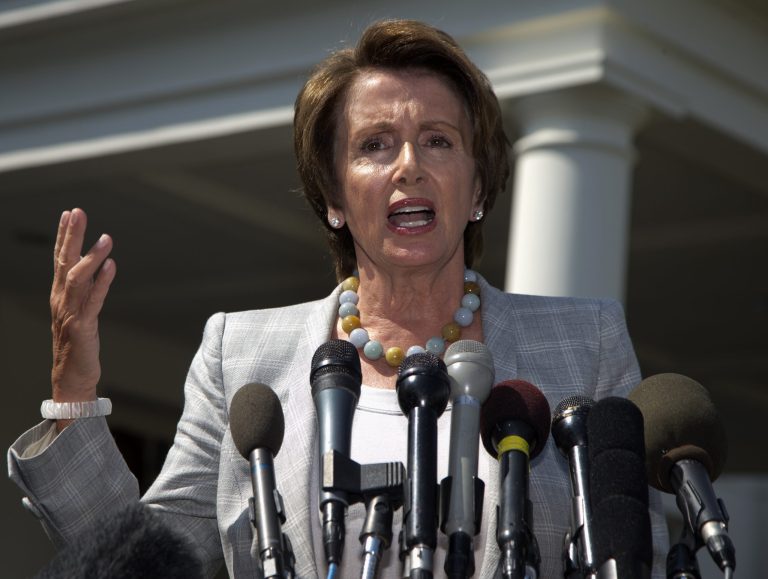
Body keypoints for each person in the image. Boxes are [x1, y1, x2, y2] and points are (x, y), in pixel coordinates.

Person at [8, 19, 668, 578]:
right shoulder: (240, 356)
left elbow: (648, 548)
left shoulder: (587, 343)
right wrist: (73, 390)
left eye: (438, 139)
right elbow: (147, 559)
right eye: (375, 145)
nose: (409, 163)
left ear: (478, 189)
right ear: (333, 198)